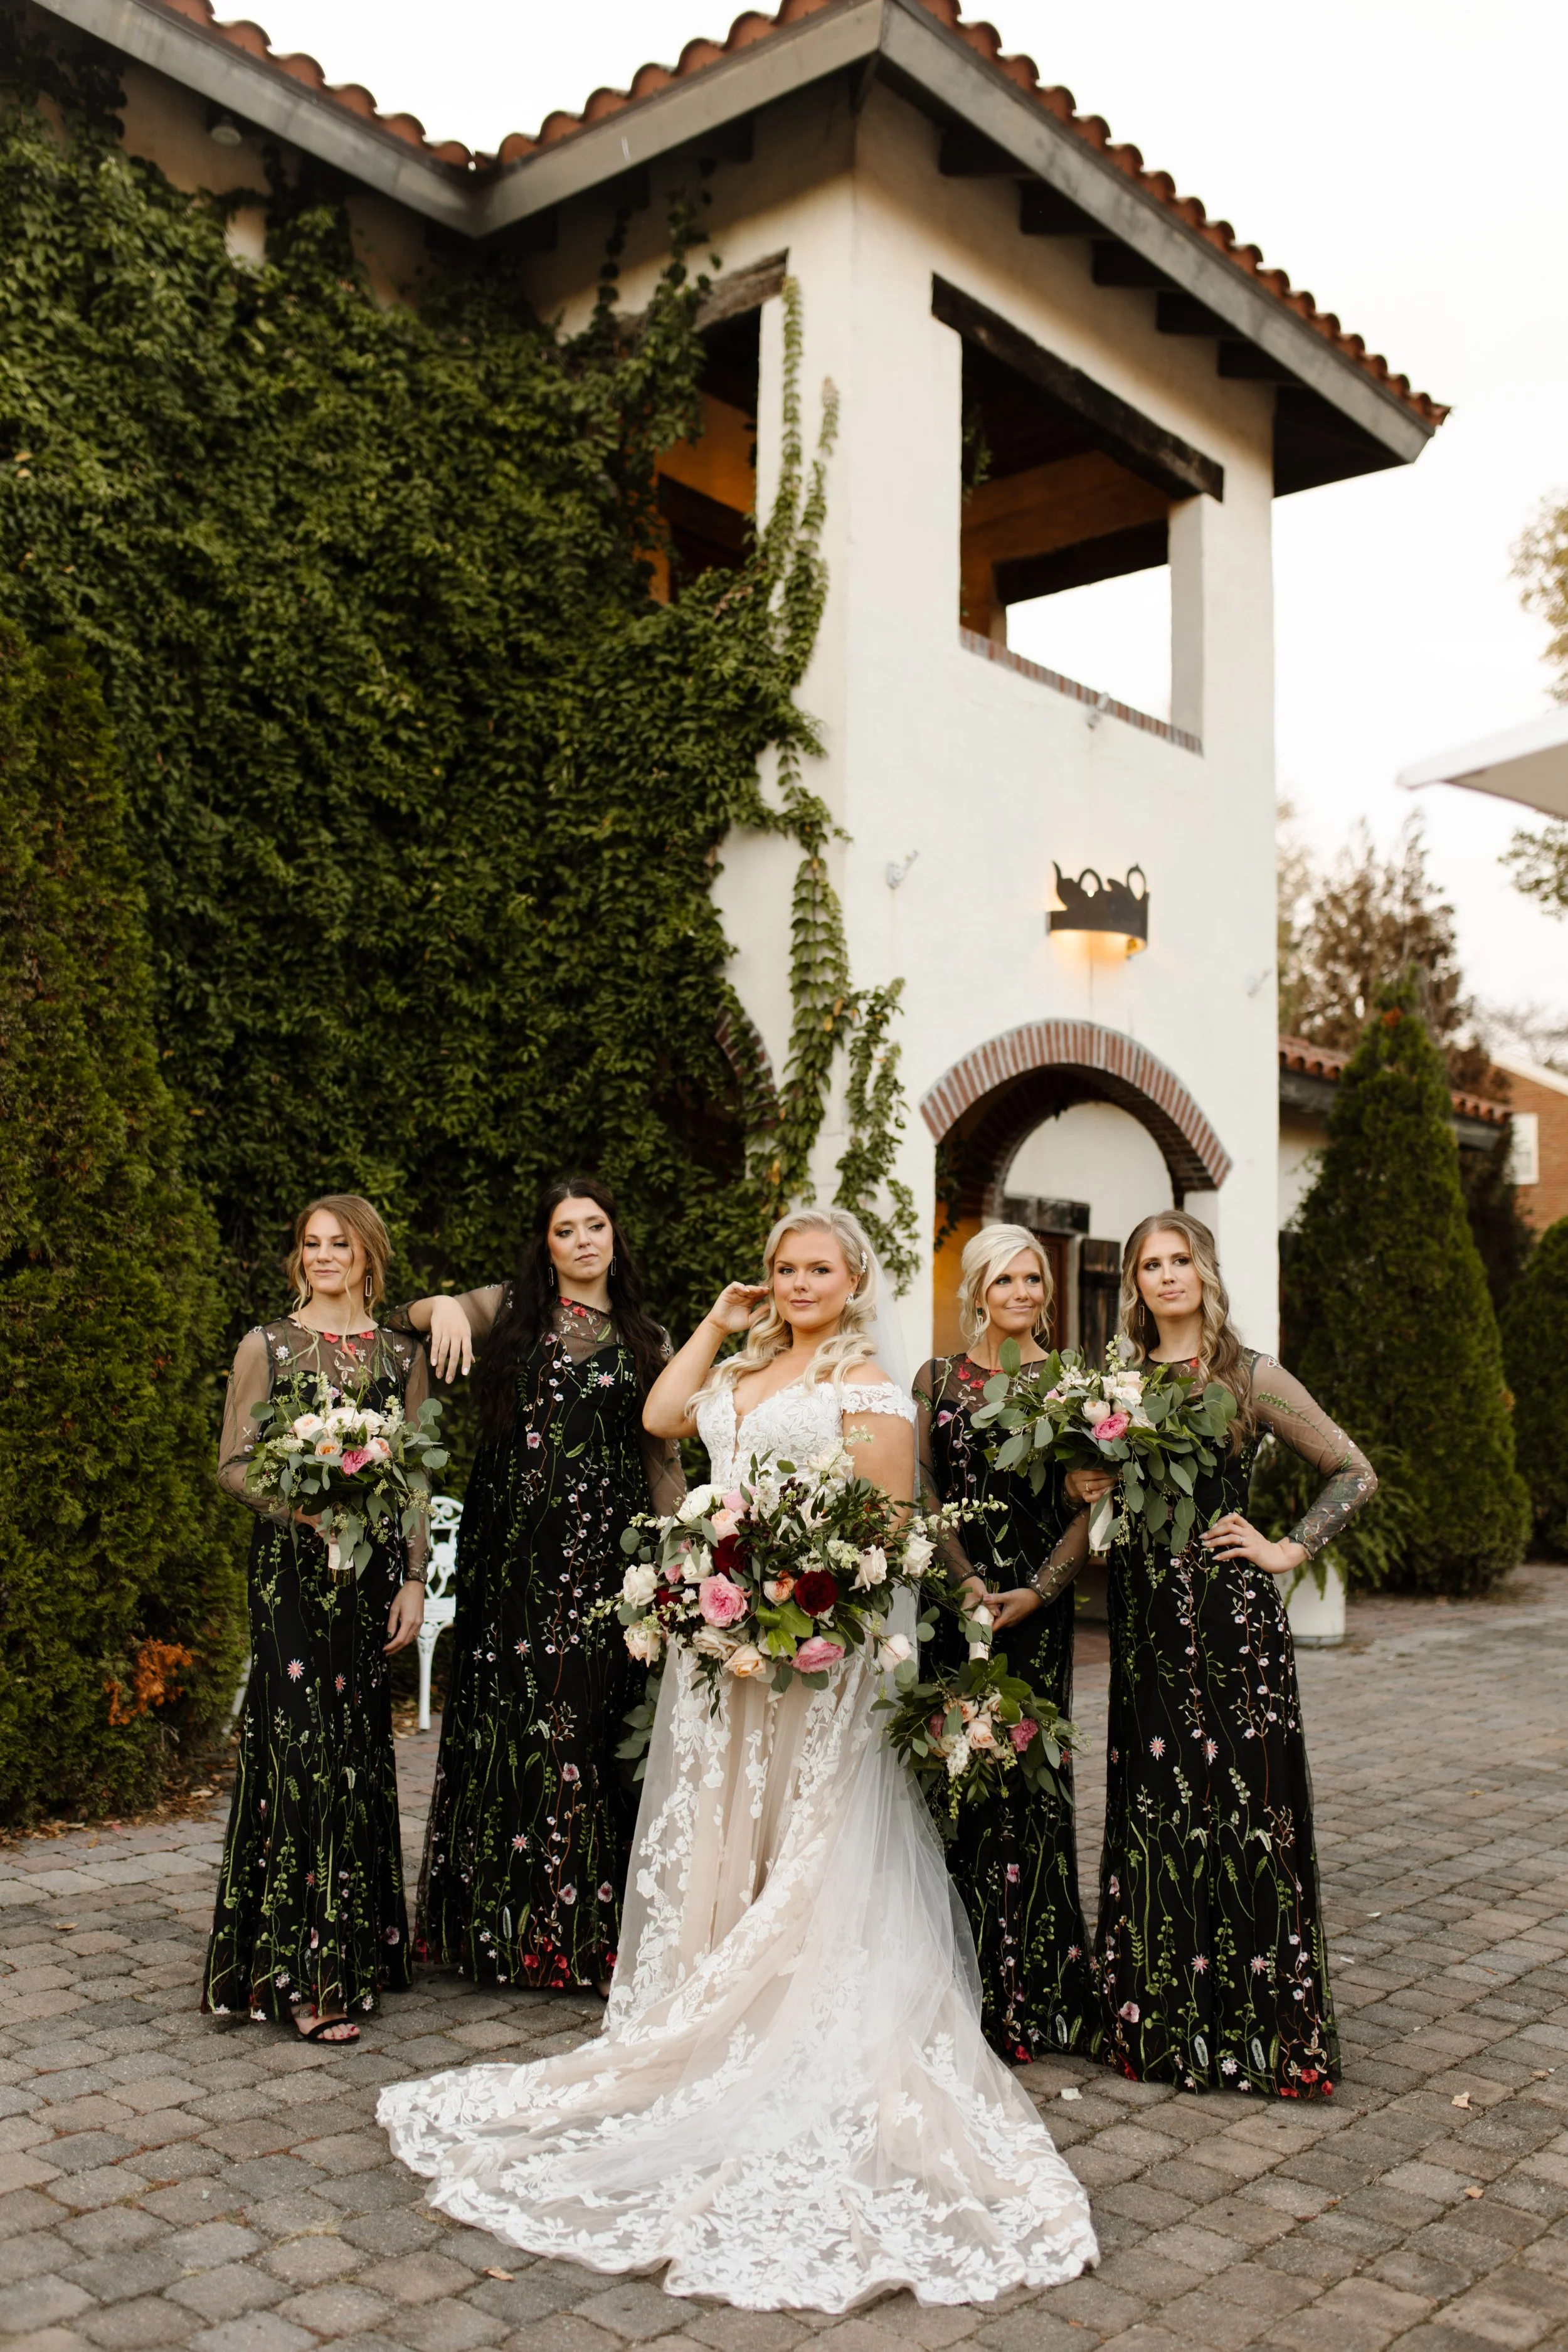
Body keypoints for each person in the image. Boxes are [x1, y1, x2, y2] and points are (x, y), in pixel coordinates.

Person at [378, 1207, 1097, 2312]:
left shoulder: (868, 1384)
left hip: (812, 1660)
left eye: (816, 1267)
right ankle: (702, 1994)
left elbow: (883, 1532)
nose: (796, 1281)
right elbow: (665, 1414)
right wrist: (720, 1321)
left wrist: (794, 1610)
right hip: (730, 1660)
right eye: (781, 1268)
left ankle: (787, 2014)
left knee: (800, 1844)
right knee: (720, 1824)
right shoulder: (750, 1361)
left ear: (854, 1277)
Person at [1038, 1210, 1375, 2099]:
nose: (1167, 1275)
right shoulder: (1114, 1385)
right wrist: (1082, 1491)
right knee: (1157, 1810)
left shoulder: (1250, 1375)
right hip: (1145, 1629)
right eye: (1149, 1263)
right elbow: (1096, 1509)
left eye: (1180, 1258)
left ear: (1204, 1269)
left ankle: (1261, 2034)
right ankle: (1167, 2026)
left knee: (1243, 1808)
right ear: (1134, 1283)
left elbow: (1353, 1469)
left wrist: (1286, 1547)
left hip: (1233, 1627)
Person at [391, 1180, 681, 1999]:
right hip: (513, 1559)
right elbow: (399, 1320)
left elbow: (661, 1455)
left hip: (608, 1564)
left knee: (589, 1733)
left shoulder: (646, 1335)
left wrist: (678, 1556)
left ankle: (587, 1936)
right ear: (546, 1244)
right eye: (566, 1229)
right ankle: (496, 1932)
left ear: (615, 1237)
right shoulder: (510, 1309)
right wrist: (440, 1306)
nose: (585, 1239)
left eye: (597, 1225)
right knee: (510, 1726)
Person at [203, 1195, 427, 2045]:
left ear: (367, 1257)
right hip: (290, 1580)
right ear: (299, 1256)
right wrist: (300, 1504)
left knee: (358, 1746)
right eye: (311, 1243)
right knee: (298, 1749)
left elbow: (410, 1478)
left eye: (340, 1244)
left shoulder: (398, 1354)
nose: (324, 1255)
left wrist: (412, 1578)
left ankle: (359, 1951)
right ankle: (305, 1976)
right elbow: (232, 1462)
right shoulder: (267, 1345)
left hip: (368, 1580)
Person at [915, 1224, 1110, 2063]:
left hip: (1037, 1601)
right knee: (953, 1777)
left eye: (1034, 1279)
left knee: (1031, 1782)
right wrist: (961, 1581)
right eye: (1006, 1280)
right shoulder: (938, 1379)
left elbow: (1091, 1505)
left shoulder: (1073, 1382)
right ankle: (947, 1979)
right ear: (979, 1291)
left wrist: (1038, 1591)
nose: (1024, 1292)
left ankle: (1035, 1988)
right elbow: (920, 1486)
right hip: (957, 1604)